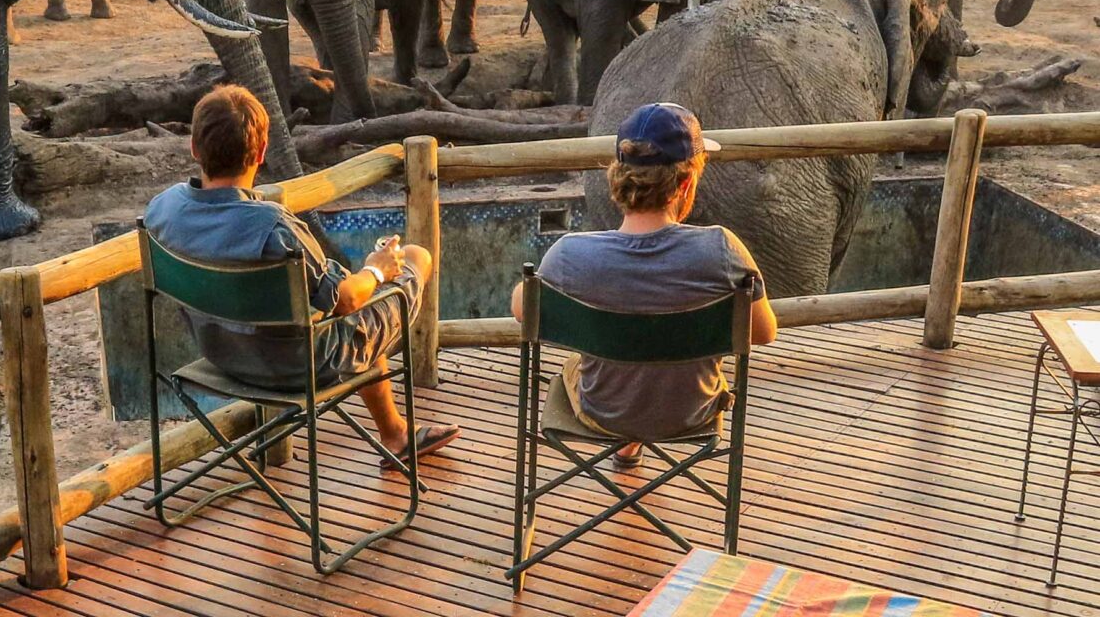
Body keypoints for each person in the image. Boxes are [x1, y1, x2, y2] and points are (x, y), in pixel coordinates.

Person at [144, 85, 461, 468]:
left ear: (194, 148)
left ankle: (395, 434)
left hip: (220, 355)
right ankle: (396, 437)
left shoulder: (162, 210)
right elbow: (346, 300)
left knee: (351, 324)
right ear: (261, 154)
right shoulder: (274, 228)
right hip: (300, 366)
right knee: (413, 258)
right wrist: (378, 268)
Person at [512, 102, 778, 468]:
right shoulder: (722, 249)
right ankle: (631, 442)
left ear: (617, 176)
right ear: (686, 183)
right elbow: (764, 332)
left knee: (584, 359)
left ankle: (627, 441)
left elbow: (521, 309)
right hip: (691, 414)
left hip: (601, 412)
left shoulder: (569, 254)